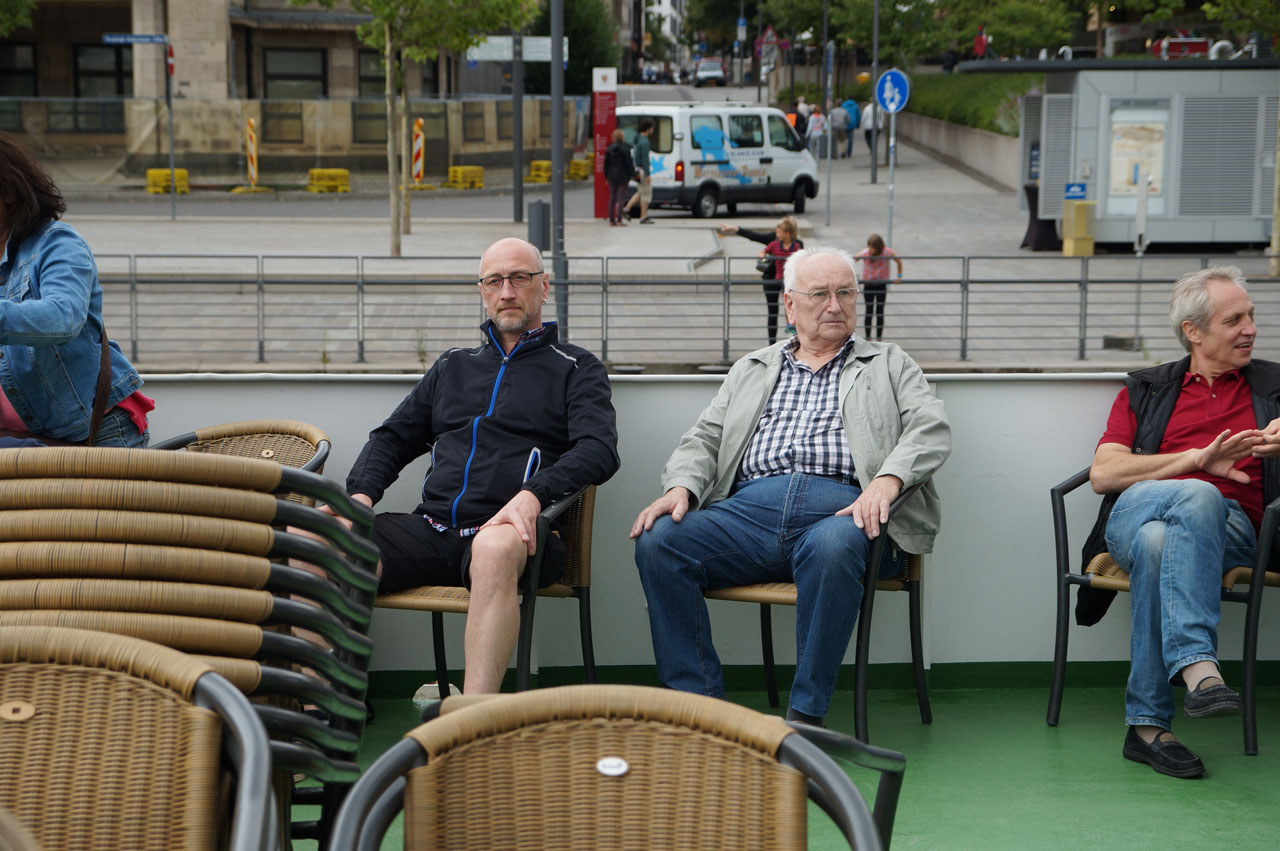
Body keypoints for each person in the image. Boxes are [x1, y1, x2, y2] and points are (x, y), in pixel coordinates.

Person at [631, 246, 950, 727]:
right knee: (659, 541)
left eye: (845, 293)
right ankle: (700, 709)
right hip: (747, 516)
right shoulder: (753, 368)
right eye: (820, 294)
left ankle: (805, 716)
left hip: (845, 513)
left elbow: (931, 427)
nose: (835, 306)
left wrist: (888, 480)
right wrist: (682, 488)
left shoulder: (889, 363)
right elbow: (705, 438)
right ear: (790, 305)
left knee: (833, 547)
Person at [345, 237, 620, 694]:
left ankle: (474, 719)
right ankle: (321, 708)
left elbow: (599, 449)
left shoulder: (576, 367)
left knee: (491, 548)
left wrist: (532, 496)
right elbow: (392, 437)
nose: (506, 291)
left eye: (519, 278)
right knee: (326, 541)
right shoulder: (453, 366)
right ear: (482, 290)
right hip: (433, 530)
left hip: (516, 536)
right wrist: (359, 496)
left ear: (543, 287)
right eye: (494, 281)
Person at [1086, 266, 1280, 779]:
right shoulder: (1147, 389)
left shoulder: (1276, 388)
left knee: (1160, 543)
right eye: (1234, 320)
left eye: (1251, 316)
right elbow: (1104, 475)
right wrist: (1195, 461)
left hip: (1234, 533)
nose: (1251, 329)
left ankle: (1148, 727)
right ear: (1193, 331)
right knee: (1194, 495)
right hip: (1135, 514)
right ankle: (1197, 664)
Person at [0, 131, 152, 447]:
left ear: (8, 192)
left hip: (95, 434)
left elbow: (63, 317)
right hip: (18, 440)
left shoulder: (57, 242)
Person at [719, 217, 803, 345]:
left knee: (790, 307)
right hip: (771, 279)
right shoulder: (774, 240)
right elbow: (755, 236)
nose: (777, 234)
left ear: (788, 233)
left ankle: (794, 337)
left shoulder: (797, 245)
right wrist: (735, 229)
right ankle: (771, 344)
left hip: (788, 281)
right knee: (772, 311)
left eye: (780, 231)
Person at [855, 234, 903, 341]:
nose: (870, 249)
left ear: (879, 247)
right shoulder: (866, 252)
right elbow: (853, 260)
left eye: (873, 247)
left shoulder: (887, 252)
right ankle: (868, 338)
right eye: (869, 246)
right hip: (868, 285)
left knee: (880, 311)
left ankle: (879, 338)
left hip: (881, 284)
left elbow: (898, 261)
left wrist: (899, 276)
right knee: (869, 310)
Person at [623, 117, 655, 224]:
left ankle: (627, 208)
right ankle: (643, 216)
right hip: (643, 171)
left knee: (641, 191)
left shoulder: (637, 139)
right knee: (646, 192)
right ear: (648, 128)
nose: (653, 130)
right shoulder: (645, 142)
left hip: (637, 169)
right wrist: (648, 174)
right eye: (652, 128)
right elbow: (645, 159)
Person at [603, 128, 635, 227]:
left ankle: (611, 220)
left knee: (612, 198)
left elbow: (606, 165)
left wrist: (606, 176)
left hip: (611, 176)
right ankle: (619, 220)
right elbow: (629, 163)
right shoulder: (626, 148)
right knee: (621, 198)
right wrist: (633, 174)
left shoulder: (609, 148)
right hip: (623, 176)